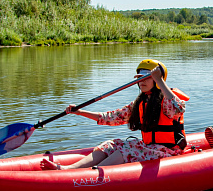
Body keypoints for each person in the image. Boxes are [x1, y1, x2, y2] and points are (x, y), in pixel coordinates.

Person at [41, 59, 187, 170]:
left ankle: (93, 174)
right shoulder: (139, 103)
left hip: (169, 152)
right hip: (149, 148)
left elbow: (178, 108)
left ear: (157, 80)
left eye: (147, 78)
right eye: (139, 78)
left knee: (129, 148)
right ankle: (70, 169)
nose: (141, 81)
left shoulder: (167, 100)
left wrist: (159, 80)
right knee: (112, 144)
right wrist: (80, 112)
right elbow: (111, 118)